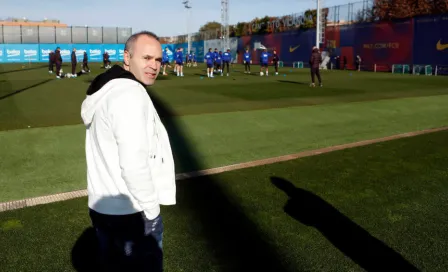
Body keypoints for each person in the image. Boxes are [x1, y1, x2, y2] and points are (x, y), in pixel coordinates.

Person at [80, 31, 176, 272]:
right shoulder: (129, 94)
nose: (154, 66)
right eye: (146, 58)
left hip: (102, 208)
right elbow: (133, 164)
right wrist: (152, 212)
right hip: (130, 213)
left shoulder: (109, 89)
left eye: (158, 60)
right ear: (127, 56)